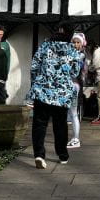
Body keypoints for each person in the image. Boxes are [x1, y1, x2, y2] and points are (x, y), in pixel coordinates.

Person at [27, 24, 82, 169]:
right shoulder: (72, 50)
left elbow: (33, 68)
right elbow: (75, 73)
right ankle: (62, 155)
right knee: (60, 125)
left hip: (42, 91)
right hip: (61, 95)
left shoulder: (44, 46)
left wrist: (36, 82)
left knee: (39, 124)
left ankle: (39, 154)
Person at [67, 33, 87, 148]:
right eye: (73, 42)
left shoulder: (81, 55)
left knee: (74, 113)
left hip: (74, 86)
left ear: (82, 43)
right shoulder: (71, 54)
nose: (75, 44)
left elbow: (74, 71)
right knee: (69, 114)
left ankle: (76, 138)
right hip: (66, 86)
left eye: (77, 42)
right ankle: (73, 138)